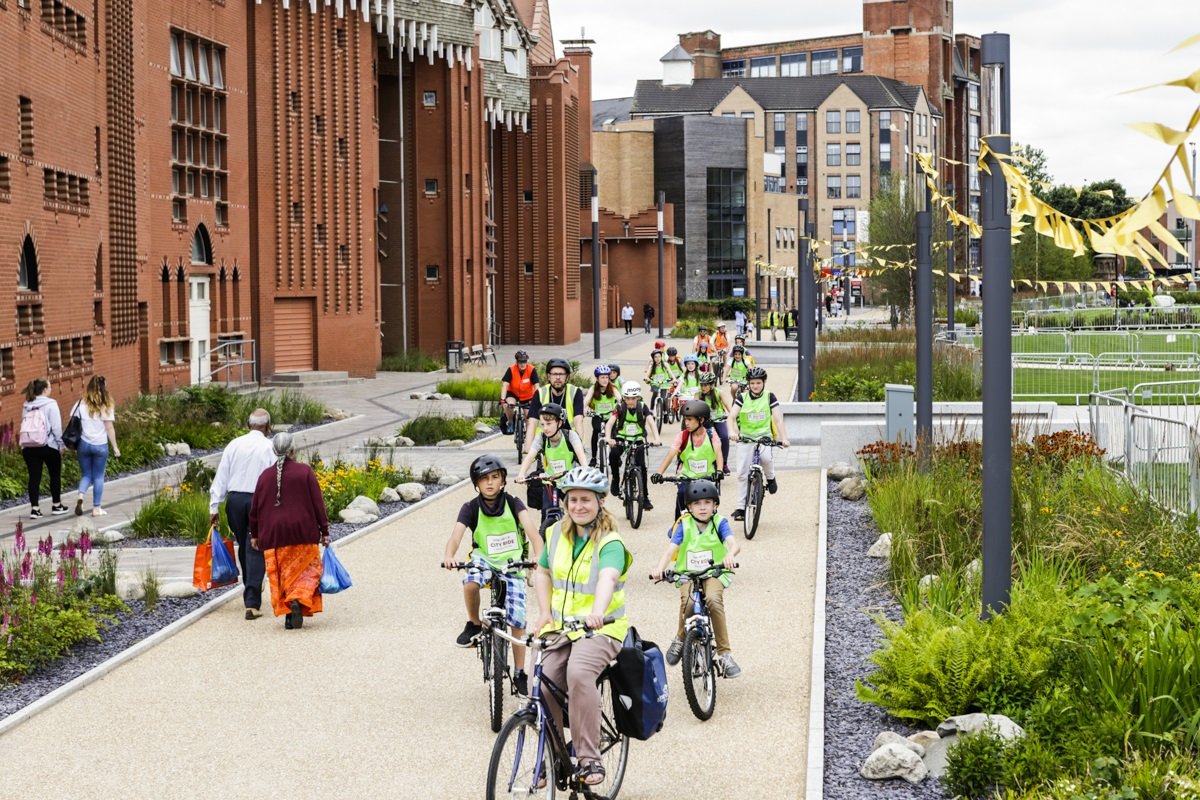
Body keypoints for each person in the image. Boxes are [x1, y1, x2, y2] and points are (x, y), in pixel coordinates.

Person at [530, 466, 632, 788]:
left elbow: (608, 577)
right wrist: (545, 611)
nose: (578, 506)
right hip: (562, 626)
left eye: (585, 499)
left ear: (600, 501)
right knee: (543, 680)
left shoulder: (610, 541)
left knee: (578, 672)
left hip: (603, 629)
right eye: (572, 499)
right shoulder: (556, 534)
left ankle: (589, 757)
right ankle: (551, 754)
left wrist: (598, 612)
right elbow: (543, 572)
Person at [442, 454, 543, 695]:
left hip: (513, 563)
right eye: (484, 479)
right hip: (484, 559)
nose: (489, 483)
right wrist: (449, 555)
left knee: (517, 621)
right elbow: (455, 537)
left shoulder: (514, 503)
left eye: (495, 477)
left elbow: (533, 533)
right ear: (476, 483)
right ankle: (474, 623)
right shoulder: (470, 508)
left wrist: (539, 556)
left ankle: (519, 672)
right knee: (470, 581)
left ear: (503, 480)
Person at [650, 479, 742, 678]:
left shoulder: (720, 522)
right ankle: (680, 638)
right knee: (688, 603)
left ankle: (725, 655)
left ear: (715, 505)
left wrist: (730, 555)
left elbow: (733, 543)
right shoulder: (684, 524)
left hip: (714, 572)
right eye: (697, 504)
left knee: (714, 600)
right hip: (687, 573)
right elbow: (670, 551)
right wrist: (659, 568)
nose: (702, 507)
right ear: (689, 507)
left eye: (707, 503)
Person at [249, 432, 329, 630]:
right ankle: (298, 601)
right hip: (303, 532)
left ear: (274, 450)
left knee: (282, 574)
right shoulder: (305, 472)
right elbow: (318, 503)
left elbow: (255, 509)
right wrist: (324, 530)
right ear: (293, 450)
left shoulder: (265, 476)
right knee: (306, 572)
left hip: (274, 535)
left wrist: (255, 534)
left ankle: (288, 611)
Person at [210, 408, 277, 619]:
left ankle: (250, 588)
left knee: (244, 543)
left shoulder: (234, 445)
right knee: (256, 546)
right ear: (267, 426)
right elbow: (275, 477)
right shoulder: (269, 447)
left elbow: (222, 475)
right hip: (258, 500)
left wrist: (214, 506)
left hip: (235, 501)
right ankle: (252, 601)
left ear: (249, 424)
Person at [727, 367, 791, 521]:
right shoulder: (742, 397)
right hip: (745, 439)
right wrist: (732, 432)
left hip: (764, 438)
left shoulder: (770, 397)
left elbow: (777, 419)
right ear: (748, 383)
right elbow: (731, 416)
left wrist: (784, 438)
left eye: (758, 383)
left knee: (767, 459)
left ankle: (770, 478)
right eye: (752, 383)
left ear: (764, 382)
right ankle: (741, 508)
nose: (755, 386)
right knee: (742, 473)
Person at [516, 403, 588, 524]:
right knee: (546, 511)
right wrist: (521, 474)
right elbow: (530, 456)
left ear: (559, 423)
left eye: (549, 424)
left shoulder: (570, 436)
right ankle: (545, 536)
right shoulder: (541, 438)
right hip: (550, 481)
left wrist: (585, 471)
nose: (545, 428)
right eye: (542, 424)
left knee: (576, 514)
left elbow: (582, 457)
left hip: (570, 481)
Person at [651, 399, 724, 517]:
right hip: (686, 476)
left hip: (707, 477)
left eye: (689, 419)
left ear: (701, 420)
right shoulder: (682, 436)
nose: (686, 423)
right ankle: (678, 527)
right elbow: (670, 455)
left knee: (710, 504)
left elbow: (718, 454)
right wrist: (659, 473)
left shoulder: (711, 435)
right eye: (685, 419)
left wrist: (719, 471)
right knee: (682, 494)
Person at [605, 381, 661, 507]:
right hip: (621, 439)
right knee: (613, 455)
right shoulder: (619, 407)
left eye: (633, 398)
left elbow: (651, 423)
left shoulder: (642, 407)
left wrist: (657, 439)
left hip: (638, 439)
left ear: (638, 397)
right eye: (627, 398)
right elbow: (609, 424)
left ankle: (645, 497)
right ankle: (615, 478)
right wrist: (609, 439)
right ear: (624, 398)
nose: (630, 401)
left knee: (642, 467)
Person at [72, 375, 120, 517]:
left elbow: (74, 422)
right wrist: (115, 447)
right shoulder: (106, 405)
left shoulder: (80, 404)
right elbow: (109, 428)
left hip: (84, 444)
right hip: (100, 445)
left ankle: (81, 496)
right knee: (98, 477)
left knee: (86, 475)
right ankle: (96, 508)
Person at [20, 378, 67, 518]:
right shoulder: (51, 404)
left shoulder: (27, 404)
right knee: (54, 475)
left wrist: (23, 445)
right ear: (45, 390)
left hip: (29, 446)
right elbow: (57, 427)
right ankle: (56, 505)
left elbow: (23, 423)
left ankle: (35, 509)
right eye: (50, 387)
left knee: (34, 477)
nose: (51, 389)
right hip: (49, 445)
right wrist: (61, 445)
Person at [527, 358, 585, 450]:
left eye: (561, 374)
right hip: (545, 440)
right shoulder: (540, 393)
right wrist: (528, 448)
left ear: (567, 376)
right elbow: (532, 422)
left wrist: (579, 444)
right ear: (549, 376)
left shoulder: (575, 392)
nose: (558, 377)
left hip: (569, 439)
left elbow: (578, 421)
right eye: (554, 374)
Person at [583, 366, 620, 465]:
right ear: (597, 378)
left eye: (607, 377)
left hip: (610, 416)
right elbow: (586, 401)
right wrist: (583, 410)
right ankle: (594, 457)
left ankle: (616, 457)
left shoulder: (612, 388)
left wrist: (620, 407)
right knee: (596, 432)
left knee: (614, 435)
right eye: (602, 377)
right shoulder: (593, 388)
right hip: (597, 416)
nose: (605, 380)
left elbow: (620, 399)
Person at [697, 371, 733, 470]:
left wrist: (732, 416)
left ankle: (724, 462)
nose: (703, 387)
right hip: (705, 421)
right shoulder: (698, 394)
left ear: (712, 385)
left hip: (719, 419)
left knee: (725, 437)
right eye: (702, 385)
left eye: (706, 385)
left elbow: (728, 406)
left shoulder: (719, 393)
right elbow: (694, 408)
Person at [500, 350, 539, 436]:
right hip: (513, 393)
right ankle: (510, 422)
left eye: (524, 361)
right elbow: (505, 385)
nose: (522, 364)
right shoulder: (511, 369)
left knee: (528, 416)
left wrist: (536, 399)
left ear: (527, 361)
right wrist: (503, 400)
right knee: (509, 405)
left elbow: (536, 386)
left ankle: (529, 435)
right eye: (520, 362)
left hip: (528, 395)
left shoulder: (531, 370)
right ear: (516, 362)